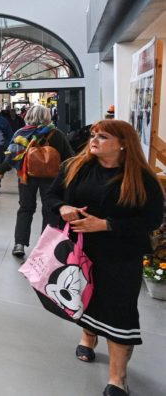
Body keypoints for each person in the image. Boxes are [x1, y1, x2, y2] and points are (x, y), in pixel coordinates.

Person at [46, 120, 163, 396]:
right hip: (79, 252)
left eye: (103, 136)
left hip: (120, 255)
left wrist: (107, 224)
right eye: (93, 135)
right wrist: (63, 207)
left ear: (123, 143)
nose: (94, 140)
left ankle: (117, 377)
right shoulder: (75, 166)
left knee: (119, 311)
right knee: (83, 298)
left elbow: (152, 219)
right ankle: (88, 335)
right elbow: (52, 195)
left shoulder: (140, 178)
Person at [0, 104, 75, 258]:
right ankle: (46, 246)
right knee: (50, 210)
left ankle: (19, 244)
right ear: (47, 117)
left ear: (28, 116)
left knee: (25, 208)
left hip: (26, 177)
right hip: (52, 178)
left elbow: (11, 156)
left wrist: (0, 171)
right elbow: (69, 158)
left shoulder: (21, 133)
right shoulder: (56, 134)